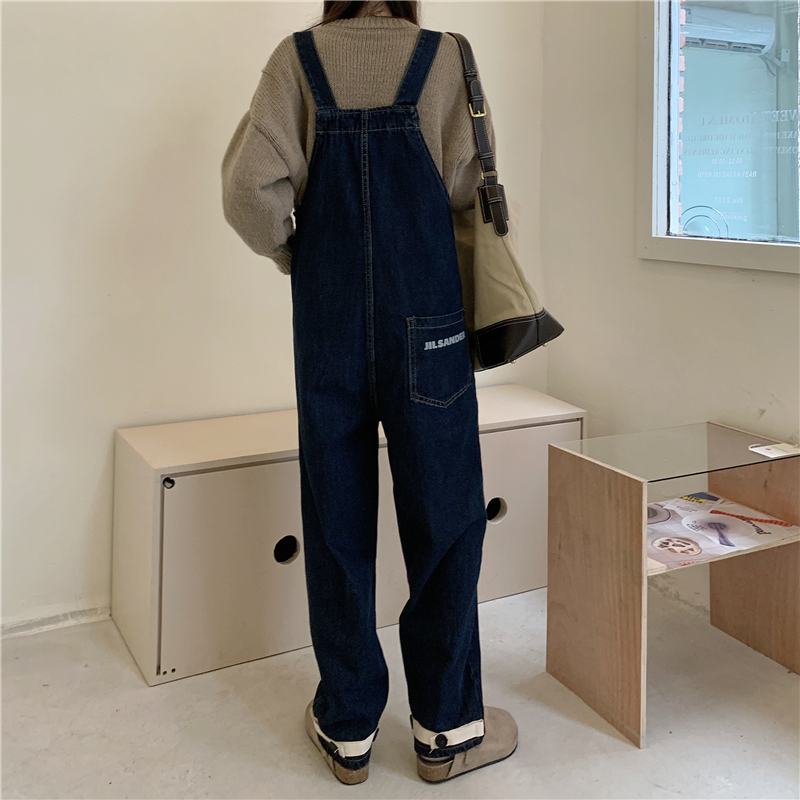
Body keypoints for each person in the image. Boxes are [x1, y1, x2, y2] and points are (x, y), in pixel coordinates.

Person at [221, 0, 518, 785]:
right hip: (430, 324)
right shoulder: (444, 56)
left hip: (329, 325)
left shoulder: (296, 59)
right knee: (446, 513)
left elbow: (249, 194)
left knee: (335, 516)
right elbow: (469, 190)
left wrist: (298, 254)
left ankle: (347, 724)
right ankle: (446, 727)